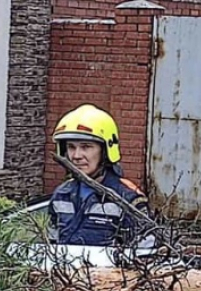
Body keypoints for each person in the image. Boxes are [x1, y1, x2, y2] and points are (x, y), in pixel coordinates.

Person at [48, 104, 154, 249]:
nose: (76, 156)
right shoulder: (61, 194)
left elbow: (145, 254)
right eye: (71, 147)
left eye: (86, 147)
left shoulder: (128, 198)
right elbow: (50, 246)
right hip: (64, 271)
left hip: (109, 271)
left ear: (105, 151)